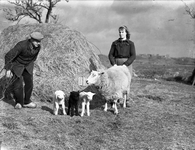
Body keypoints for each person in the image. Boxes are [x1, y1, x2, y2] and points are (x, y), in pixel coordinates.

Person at [3, 31, 44, 109]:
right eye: (36, 41)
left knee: (29, 83)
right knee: (18, 84)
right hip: (17, 65)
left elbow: (34, 58)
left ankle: (27, 101)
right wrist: (8, 69)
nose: (38, 43)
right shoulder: (21, 45)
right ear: (31, 39)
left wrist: (31, 67)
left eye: (39, 41)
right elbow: (8, 56)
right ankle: (19, 102)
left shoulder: (38, 47)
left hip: (28, 65)